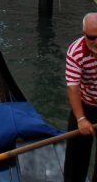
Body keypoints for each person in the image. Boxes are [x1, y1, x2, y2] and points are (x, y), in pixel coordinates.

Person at [64, 14, 97, 182]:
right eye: (92, 38)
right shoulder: (76, 51)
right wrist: (82, 118)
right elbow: (73, 87)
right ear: (84, 33)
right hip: (85, 105)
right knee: (76, 158)